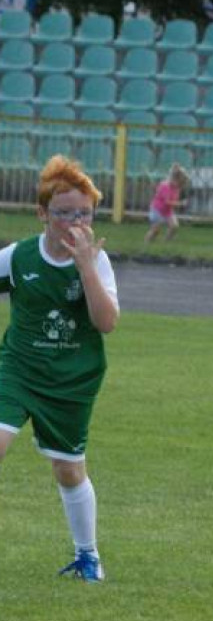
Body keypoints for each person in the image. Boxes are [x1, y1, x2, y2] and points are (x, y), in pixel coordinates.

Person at [0, 155, 119, 582]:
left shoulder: (97, 261)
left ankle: (87, 555)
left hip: (72, 379)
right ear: (42, 213)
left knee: (68, 470)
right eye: (63, 213)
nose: (74, 221)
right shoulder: (19, 256)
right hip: (17, 369)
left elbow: (106, 323)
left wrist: (86, 267)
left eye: (83, 213)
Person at [144, 164, 189, 244]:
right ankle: (147, 242)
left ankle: (166, 242)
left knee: (174, 226)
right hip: (157, 210)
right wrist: (180, 204)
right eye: (179, 184)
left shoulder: (176, 188)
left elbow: (171, 201)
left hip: (167, 211)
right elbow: (167, 202)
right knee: (156, 230)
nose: (180, 186)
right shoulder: (165, 186)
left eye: (181, 185)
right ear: (173, 179)